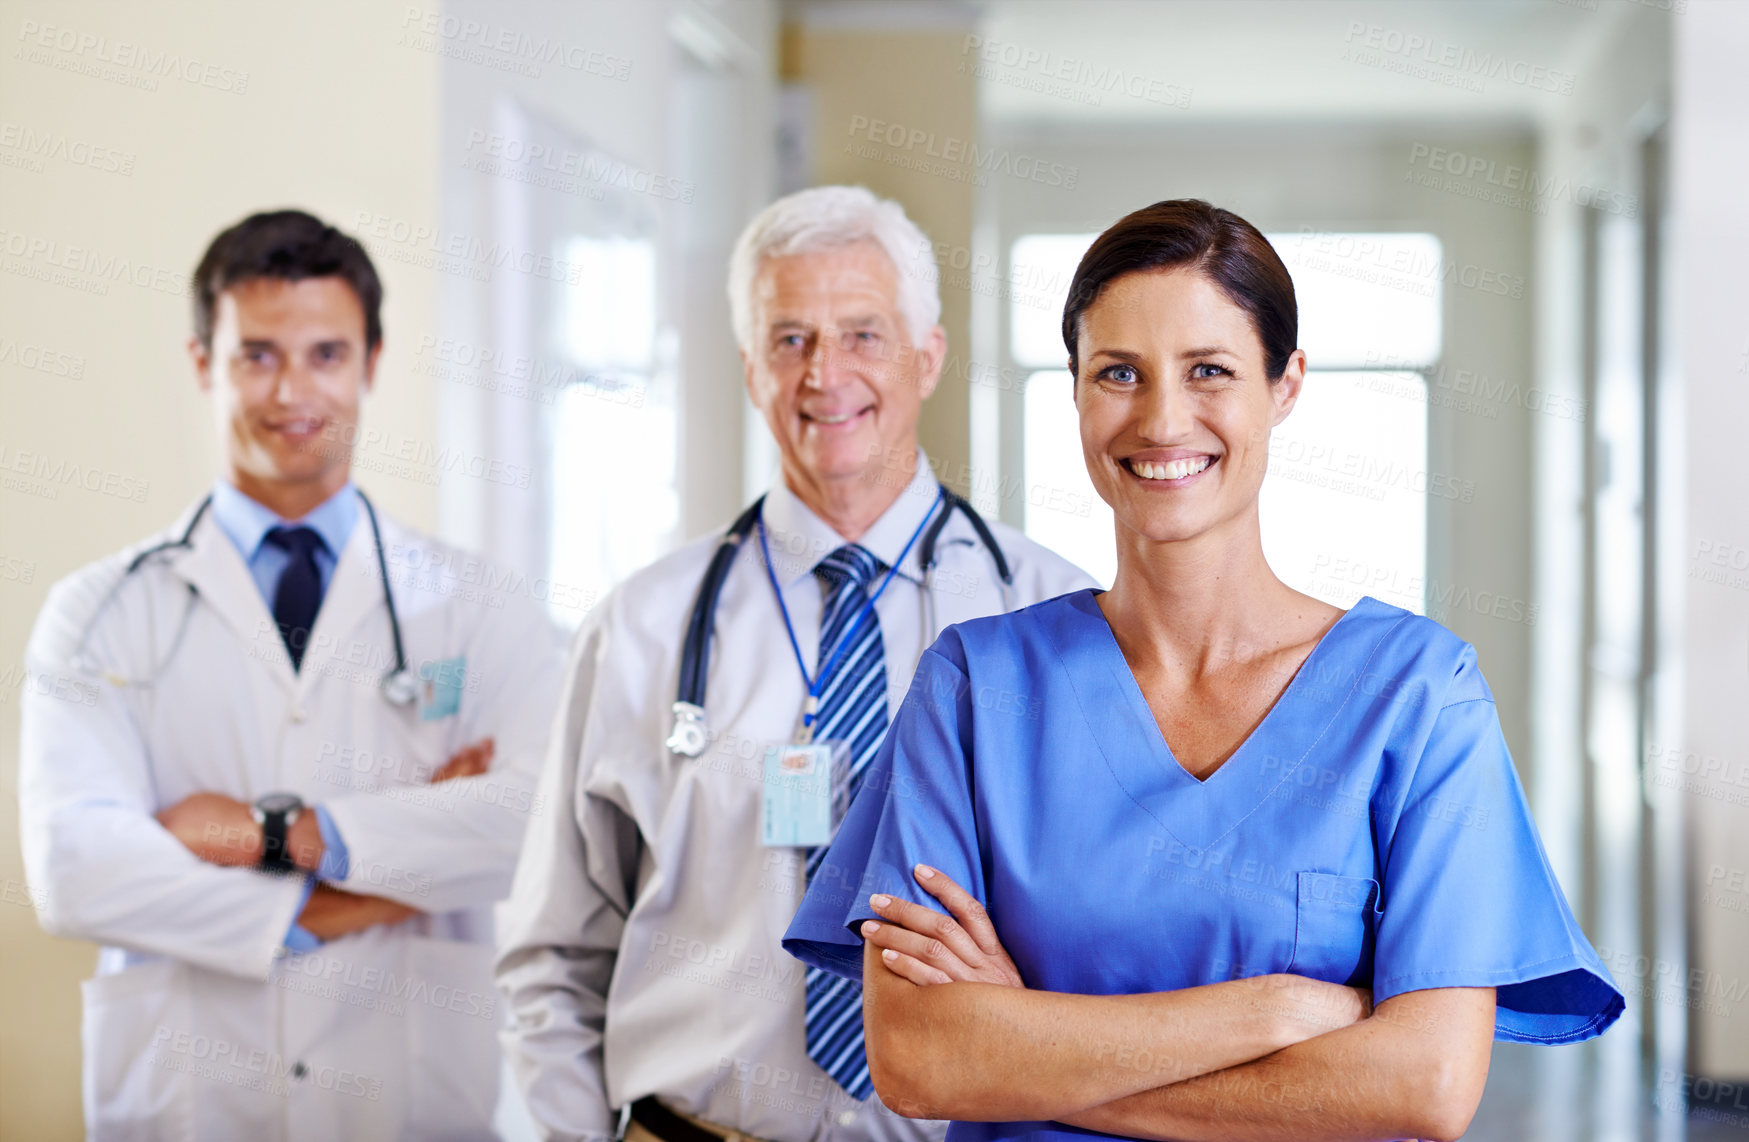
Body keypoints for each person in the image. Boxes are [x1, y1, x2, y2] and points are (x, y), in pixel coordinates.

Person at [784, 199, 1624, 1142]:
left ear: (1286, 384)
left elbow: (1423, 1084)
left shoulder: (1417, 697)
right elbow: (919, 1060)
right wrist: (1265, 1012)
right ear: (1074, 389)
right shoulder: (975, 690)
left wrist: (1022, 1055)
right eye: (1118, 374)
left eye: (1210, 370)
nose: (1162, 417)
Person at [494, 185, 1096, 1142]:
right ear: (749, 370)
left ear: (926, 357)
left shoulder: (1054, 618)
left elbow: (1098, 944)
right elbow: (552, 954)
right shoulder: (641, 629)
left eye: (863, 334)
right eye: (789, 340)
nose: (825, 373)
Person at [19, 209, 565, 1140]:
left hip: (406, 1096)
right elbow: (75, 869)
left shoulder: (479, 605)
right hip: (189, 1099)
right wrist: (381, 883)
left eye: (325, 354)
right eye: (257, 355)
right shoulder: (101, 609)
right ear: (202, 360)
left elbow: (534, 828)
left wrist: (264, 834)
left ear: (372, 362)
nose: (292, 392)